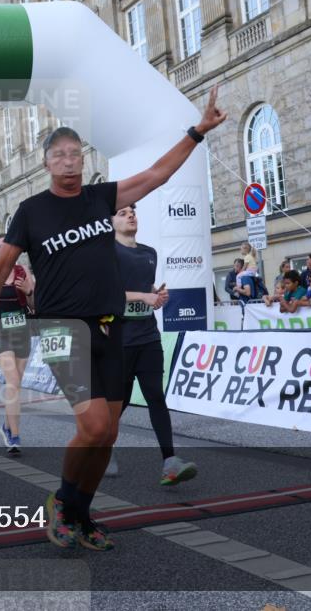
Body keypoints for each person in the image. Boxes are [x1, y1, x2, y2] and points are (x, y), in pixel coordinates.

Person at [0, 85, 227, 552]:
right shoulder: (31, 212)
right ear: (47, 164)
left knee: (108, 430)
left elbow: (156, 175)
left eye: (74, 154)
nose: (68, 161)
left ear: (82, 159)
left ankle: (79, 514)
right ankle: (64, 504)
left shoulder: (101, 198)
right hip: (62, 328)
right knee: (94, 427)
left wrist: (197, 132)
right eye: (58, 156)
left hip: (112, 325)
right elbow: (0, 268)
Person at [112, 204, 196, 485]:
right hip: (119, 340)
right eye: (123, 213)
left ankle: (169, 463)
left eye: (133, 211)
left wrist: (156, 294)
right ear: (111, 222)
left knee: (156, 398)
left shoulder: (149, 253)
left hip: (148, 336)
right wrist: (144, 297)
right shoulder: (108, 253)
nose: (131, 215)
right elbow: (109, 294)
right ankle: (100, 448)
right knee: (118, 403)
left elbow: (143, 290)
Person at [0, 233, 35, 455]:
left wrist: (28, 292)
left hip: (22, 331)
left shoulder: (25, 273)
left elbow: (34, 305)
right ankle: (14, 435)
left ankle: (6, 426)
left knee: (15, 386)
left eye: (9, 246)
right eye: (1, 247)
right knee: (12, 380)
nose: (6, 250)